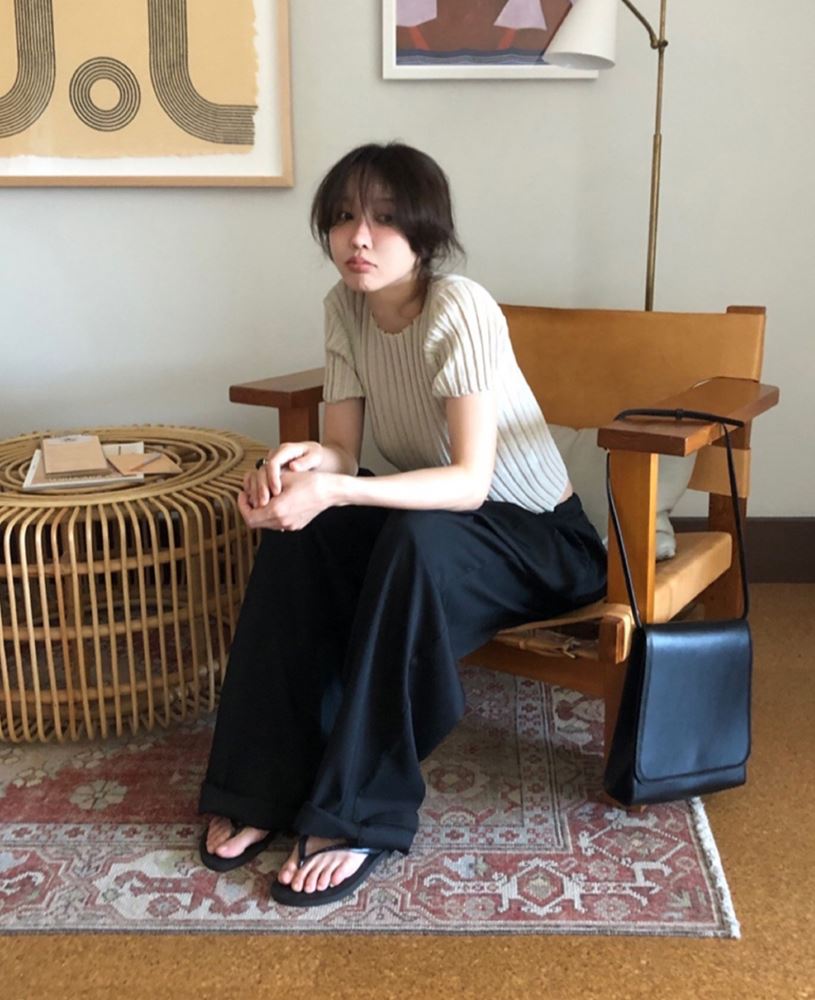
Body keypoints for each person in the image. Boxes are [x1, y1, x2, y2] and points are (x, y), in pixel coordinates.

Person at [197, 142, 607, 907]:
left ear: (424, 232)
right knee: (304, 530)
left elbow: (470, 481)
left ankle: (357, 813)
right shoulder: (343, 307)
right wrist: (301, 465)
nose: (358, 237)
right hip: (440, 532)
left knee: (406, 534)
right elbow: (345, 452)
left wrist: (336, 490)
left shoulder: (459, 306)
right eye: (343, 217)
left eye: (384, 219)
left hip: (541, 542)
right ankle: (260, 784)